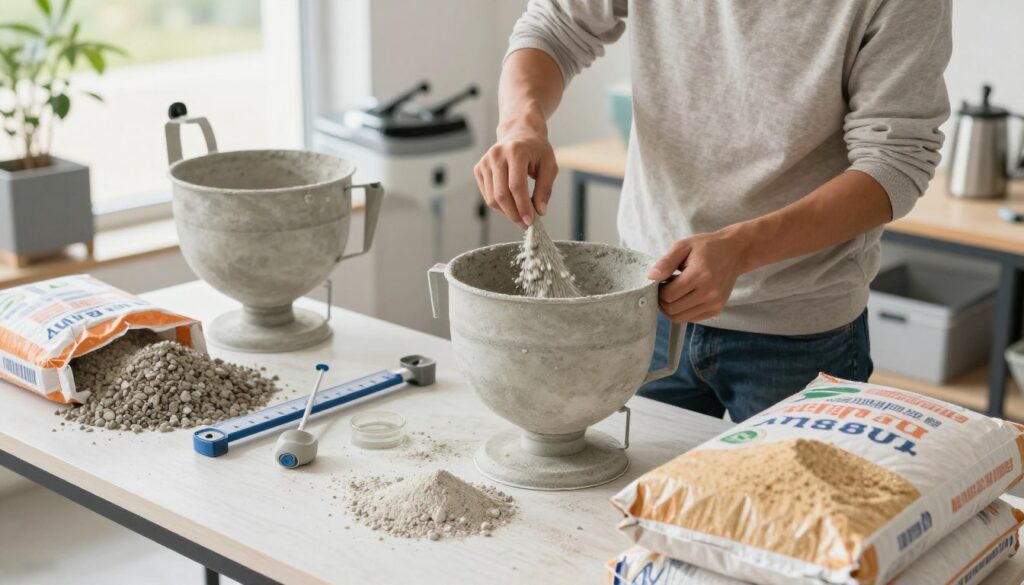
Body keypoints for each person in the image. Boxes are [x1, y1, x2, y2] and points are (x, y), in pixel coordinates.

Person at [474, 1, 952, 422]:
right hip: (646, 302)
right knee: (628, 512)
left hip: (799, 326)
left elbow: (895, 162)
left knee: (788, 522)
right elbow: (556, 25)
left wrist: (742, 249)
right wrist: (520, 123)